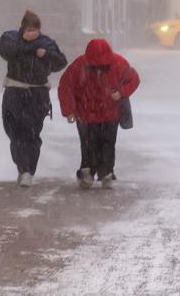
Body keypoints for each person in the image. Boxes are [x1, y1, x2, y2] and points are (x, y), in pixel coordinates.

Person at [58, 38, 141, 189]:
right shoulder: (116, 63)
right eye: (95, 66)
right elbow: (65, 87)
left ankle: (97, 173)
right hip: (91, 114)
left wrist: (121, 93)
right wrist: (68, 111)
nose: (99, 68)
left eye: (103, 66)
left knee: (99, 145)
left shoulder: (114, 63)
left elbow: (134, 80)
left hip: (100, 114)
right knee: (97, 145)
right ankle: (100, 173)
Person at [0, 10, 68, 187]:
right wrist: (30, 49)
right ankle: (22, 168)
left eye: (35, 30)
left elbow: (61, 62)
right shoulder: (11, 39)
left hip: (37, 95)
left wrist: (47, 55)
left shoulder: (46, 44)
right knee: (14, 133)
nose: (32, 34)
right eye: (29, 30)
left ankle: (28, 170)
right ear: (22, 29)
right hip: (15, 91)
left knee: (32, 134)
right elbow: (6, 51)